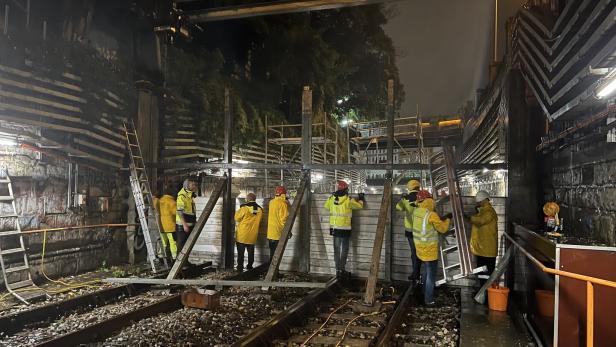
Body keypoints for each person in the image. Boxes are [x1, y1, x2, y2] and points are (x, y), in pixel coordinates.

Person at [411, 190, 451, 305]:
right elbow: (442, 229)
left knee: (425, 272)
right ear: (429, 200)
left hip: (420, 248)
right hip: (430, 250)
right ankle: (428, 300)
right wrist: (448, 219)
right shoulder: (431, 214)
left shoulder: (416, 212)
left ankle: (424, 293)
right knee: (431, 276)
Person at [324, 180, 364, 278]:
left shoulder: (332, 198)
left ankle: (338, 269)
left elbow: (326, 206)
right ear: (346, 189)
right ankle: (342, 269)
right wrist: (361, 198)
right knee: (344, 249)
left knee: (336, 249)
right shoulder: (348, 200)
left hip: (334, 228)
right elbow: (359, 206)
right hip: (345, 229)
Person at [469, 190, 498, 284]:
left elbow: (481, 221)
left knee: (487, 275)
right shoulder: (482, 211)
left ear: (485, 200)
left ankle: (486, 295)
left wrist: (469, 217)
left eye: (480, 201)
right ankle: (483, 293)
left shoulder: (489, 212)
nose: (479, 203)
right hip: (482, 249)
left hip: (488, 251)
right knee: (482, 274)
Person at [395, 179, 421, 281]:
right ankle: (418, 272)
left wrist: (402, 198)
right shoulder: (422, 197)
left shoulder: (406, 199)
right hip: (422, 230)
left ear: (409, 187)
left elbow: (398, 207)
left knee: (414, 252)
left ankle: (415, 273)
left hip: (410, 231)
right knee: (421, 252)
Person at [234, 193, 263, 271]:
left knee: (241, 253)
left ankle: (240, 267)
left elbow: (236, 218)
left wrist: (240, 209)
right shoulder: (260, 209)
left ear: (247, 199)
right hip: (253, 234)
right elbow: (259, 221)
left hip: (242, 235)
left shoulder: (245, 208)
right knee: (251, 252)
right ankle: (250, 266)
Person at [175, 177, 198, 256]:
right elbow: (179, 211)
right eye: (193, 184)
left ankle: (185, 262)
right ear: (187, 185)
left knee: (187, 246)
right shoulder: (182, 196)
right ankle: (179, 264)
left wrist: (194, 221)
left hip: (189, 224)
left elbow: (191, 210)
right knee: (181, 246)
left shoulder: (189, 196)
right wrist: (184, 225)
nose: (194, 186)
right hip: (183, 226)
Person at [154, 189, 178, 261]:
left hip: (161, 226)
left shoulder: (159, 200)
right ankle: (174, 256)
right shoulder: (172, 202)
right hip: (171, 227)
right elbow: (176, 213)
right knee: (172, 242)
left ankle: (161, 256)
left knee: (164, 242)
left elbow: (154, 204)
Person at [267, 186, 289, 262]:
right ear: (283, 194)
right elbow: (284, 219)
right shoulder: (283, 204)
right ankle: (274, 273)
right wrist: (288, 231)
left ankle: (271, 272)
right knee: (276, 255)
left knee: (272, 253)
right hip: (278, 233)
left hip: (270, 233)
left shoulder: (271, 202)